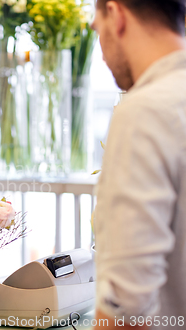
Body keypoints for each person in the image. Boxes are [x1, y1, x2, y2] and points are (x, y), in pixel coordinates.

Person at [91, 0, 186, 329]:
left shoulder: (144, 111)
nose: (102, 54)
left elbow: (126, 305)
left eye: (97, 31)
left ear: (116, 16)